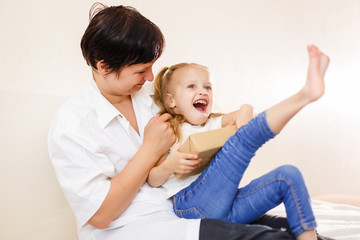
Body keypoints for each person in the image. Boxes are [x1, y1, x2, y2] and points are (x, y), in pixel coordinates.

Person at [48, 3, 315, 240]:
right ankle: (303, 96)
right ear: (104, 67)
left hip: (181, 206)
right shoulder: (72, 126)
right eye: (141, 70)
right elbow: (101, 215)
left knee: (289, 229)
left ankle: (301, 98)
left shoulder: (149, 100)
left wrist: (234, 118)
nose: (151, 77)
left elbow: (205, 123)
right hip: (137, 228)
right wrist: (149, 150)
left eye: (151, 66)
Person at [147, 45, 330, 240]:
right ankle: (305, 94)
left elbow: (246, 111)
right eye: (192, 86)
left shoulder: (214, 122)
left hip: (226, 209)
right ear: (172, 101)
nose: (203, 91)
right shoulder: (170, 130)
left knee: (288, 176)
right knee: (243, 141)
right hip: (191, 206)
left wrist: (244, 114)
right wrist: (170, 165)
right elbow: (152, 179)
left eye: (207, 87)